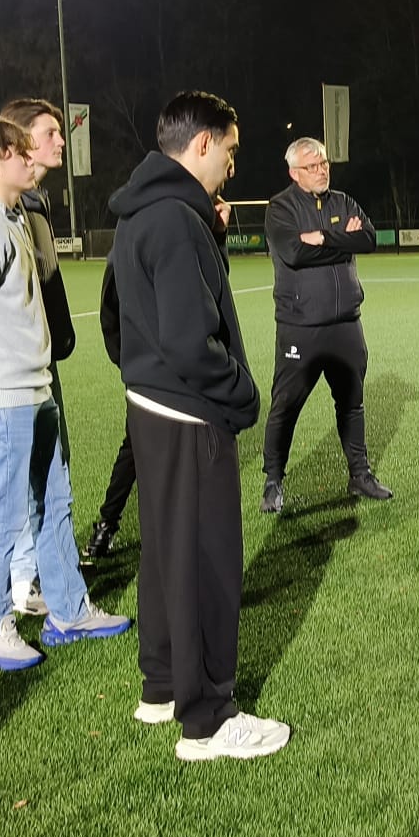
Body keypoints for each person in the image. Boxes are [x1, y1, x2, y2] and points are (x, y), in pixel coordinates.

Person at [104, 90, 290, 761]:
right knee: (206, 564)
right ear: (203, 143)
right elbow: (190, 341)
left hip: (151, 406)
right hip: (189, 412)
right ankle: (208, 719)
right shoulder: (175, 219)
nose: (233, 166)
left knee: (165, 554)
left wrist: (145, 375)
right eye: (230, 150)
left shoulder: (140, 212)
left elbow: (114, 319)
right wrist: (241, 392)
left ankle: (161, 686)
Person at [0, 115, 129, 671]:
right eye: (17, 152)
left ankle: (69, 611)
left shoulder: (14, 218)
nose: (28, 158)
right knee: (3, 513)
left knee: (54, 503)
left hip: (33, 388)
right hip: (2, 396)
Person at [85, 195, 231, 564]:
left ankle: (117, 526)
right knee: (139, 449)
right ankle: (108, 524)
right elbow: (110, 310)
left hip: (187, 369)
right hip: (152, 374)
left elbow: (215, 291)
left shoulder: (186, 232)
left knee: (164, 451)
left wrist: (218, 236)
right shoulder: (135, 236)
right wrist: (127, 360)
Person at [258, 137, 393, 513]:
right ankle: (273, 481)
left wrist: (324, 238)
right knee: (286, 405)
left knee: (352, 403)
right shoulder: (280, 208)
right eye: (312, 166)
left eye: (324, 164)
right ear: (294, 173)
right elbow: (293, 252)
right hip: (300, 327)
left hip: (347, 324)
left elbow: (368, 239)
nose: (321, 171)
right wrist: (342, 242)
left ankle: (359, 475)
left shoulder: (344, 201)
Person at [0, 98, 76, 615]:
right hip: (18, 368)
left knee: (53, 468)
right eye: (50, 133)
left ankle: (45, 565)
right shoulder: (4, 210)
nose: (60, 141)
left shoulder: (37, 205)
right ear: (21, 140)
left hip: (44, 358)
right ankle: (24, 580)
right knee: (30, 475)